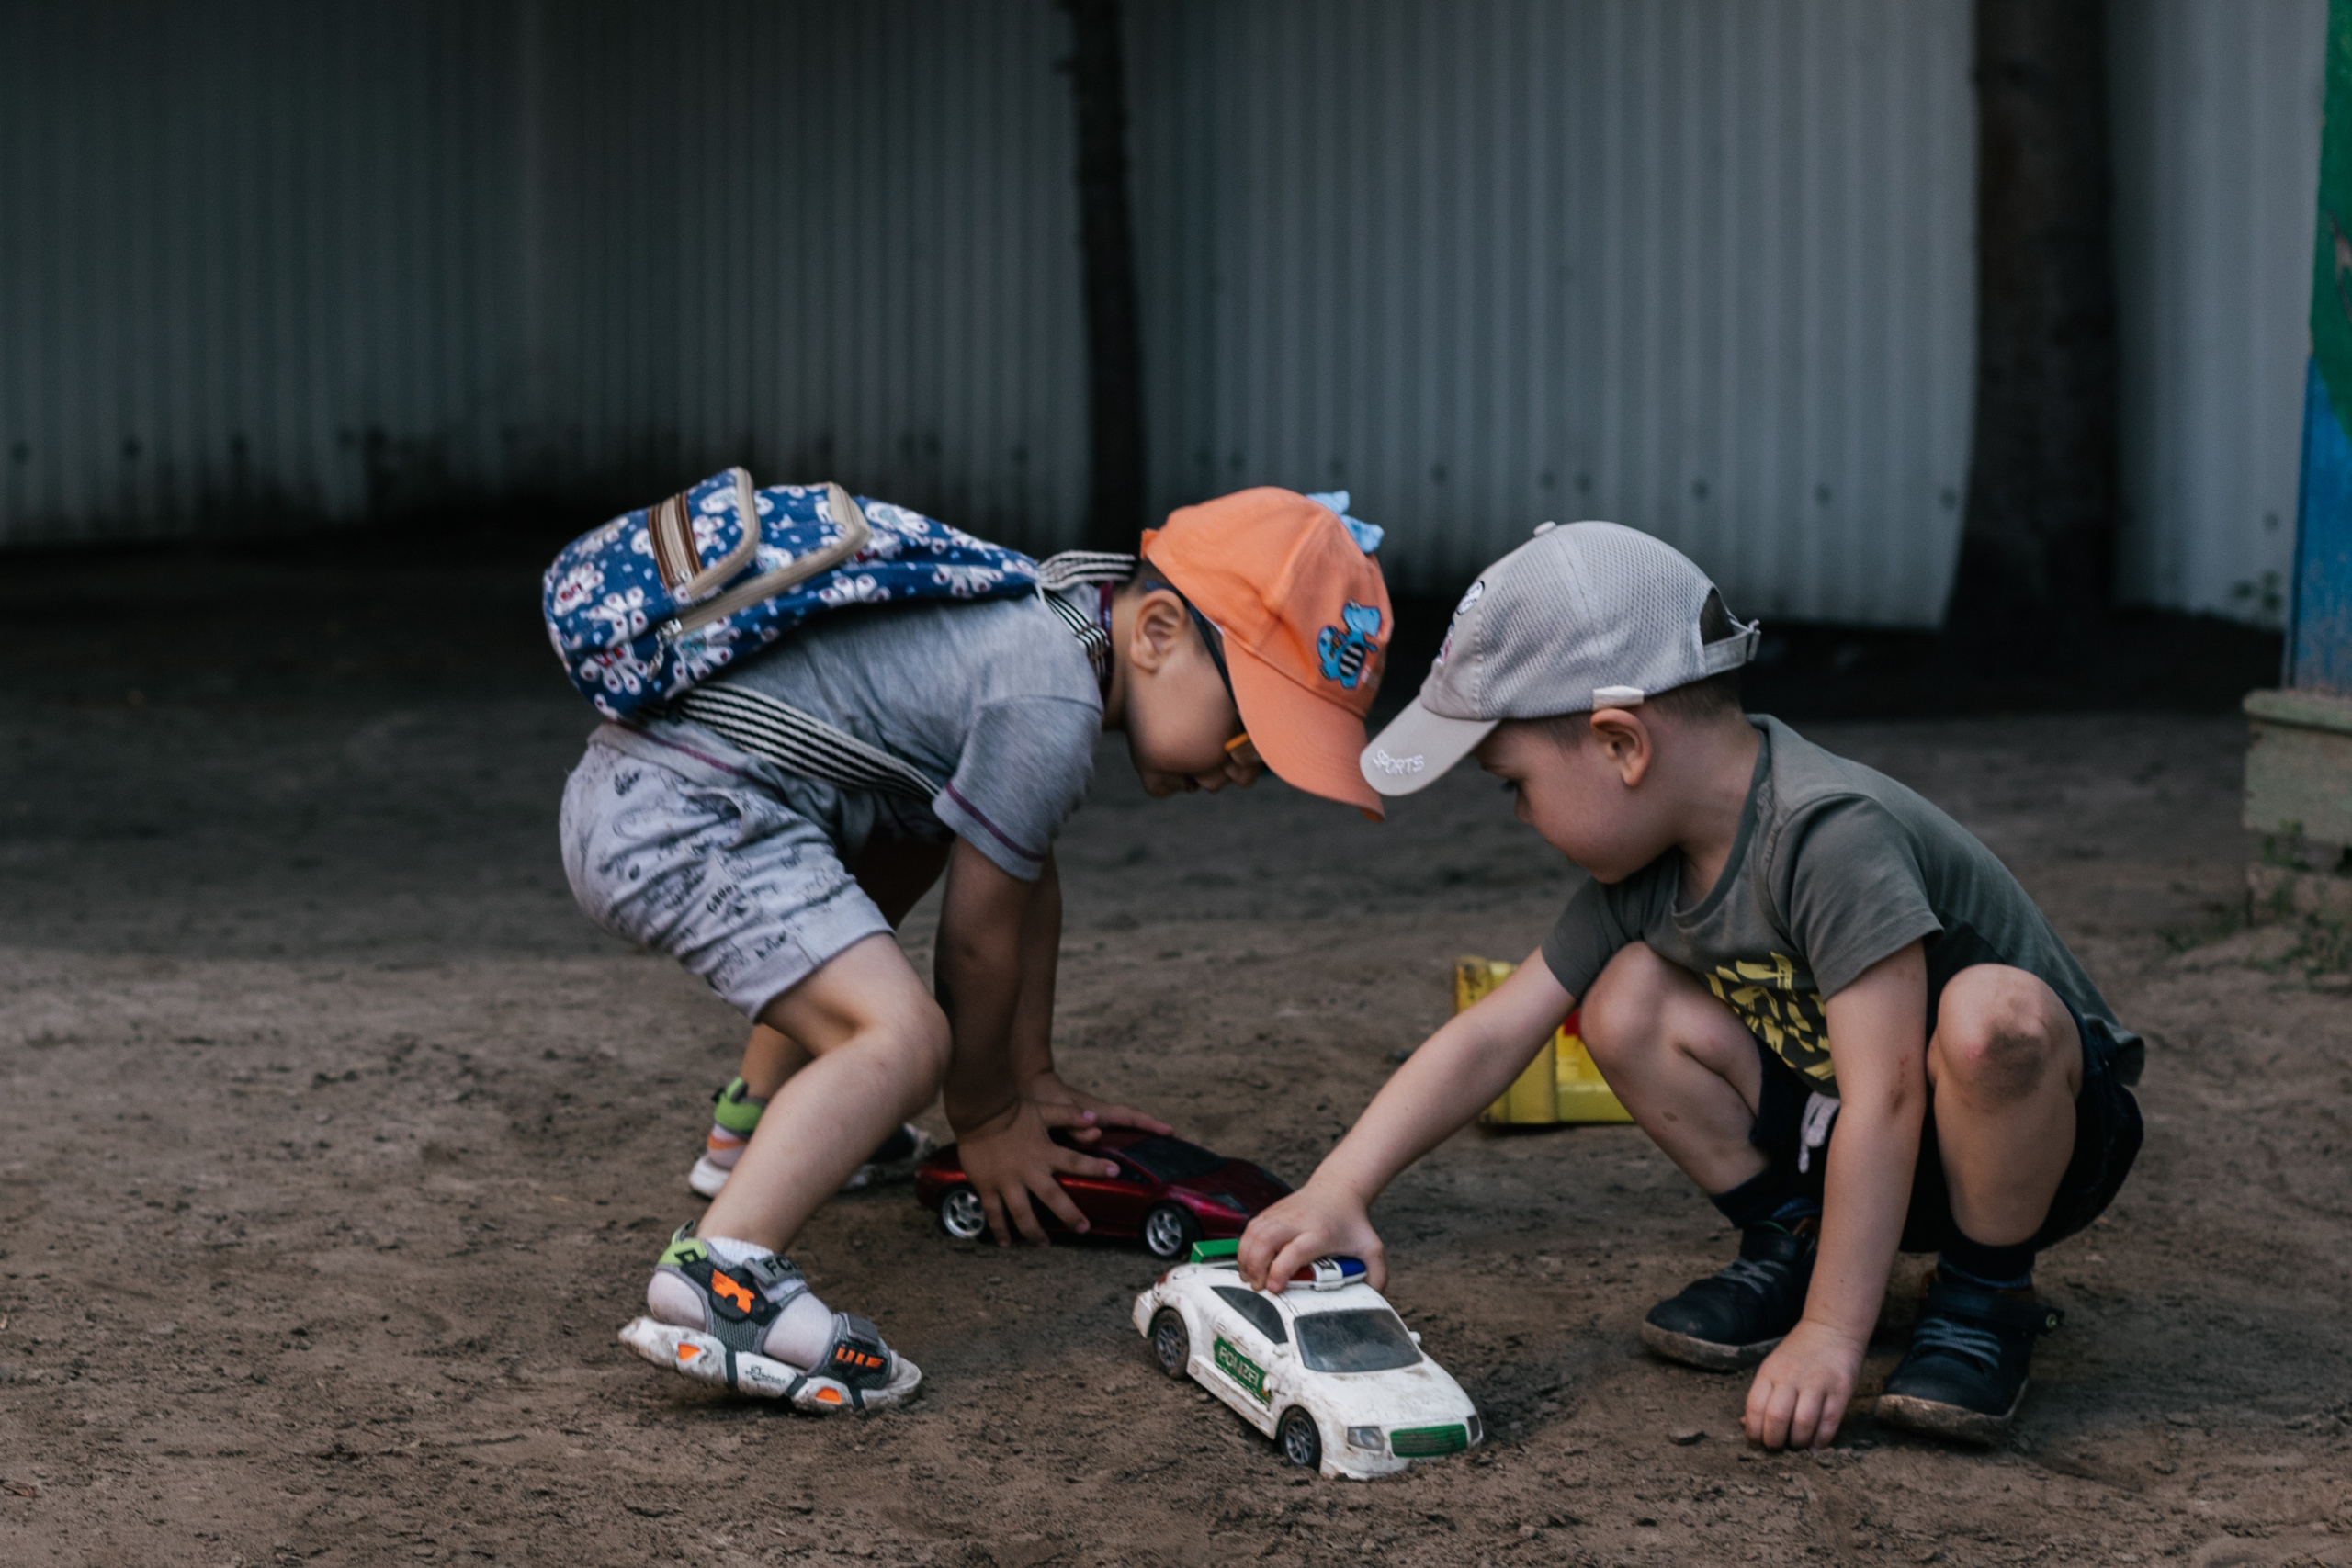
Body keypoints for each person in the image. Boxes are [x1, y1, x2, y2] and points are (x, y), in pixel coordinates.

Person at [1239, 521, 2142, 1449]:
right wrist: (1340, 1186)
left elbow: (1890, 1097)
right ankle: (1794, 1239)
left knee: (1991, 1017)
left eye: (1514, 782)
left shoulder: (1827, 833)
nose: (1519, 814)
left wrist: (1831, 1335)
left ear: (1620, 745)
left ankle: (1983, 1296)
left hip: (2031, 1142)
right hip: (1860, 1143)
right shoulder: (1647, 872)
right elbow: (1493, 1033)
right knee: (1623, 997)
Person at [559, 487, 1395, 1410]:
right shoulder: (1048, 695)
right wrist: (988, 1115)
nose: (1246, 768)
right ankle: (722, 1275)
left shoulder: (1045, 624)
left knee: (934, 824)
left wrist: (1028, 1075)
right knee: (905, 1039)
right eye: (1251, 730)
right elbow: (978, 941)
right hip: (682, 817)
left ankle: (757, 1125)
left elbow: (1024, 875)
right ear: (1159, 631)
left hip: (679, 794)